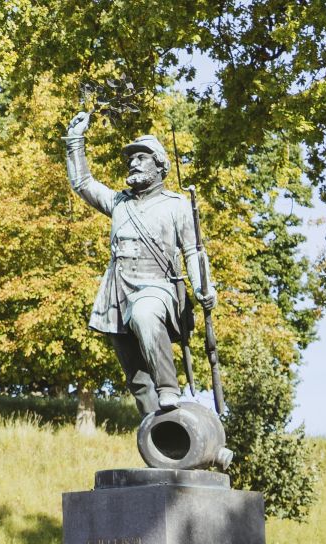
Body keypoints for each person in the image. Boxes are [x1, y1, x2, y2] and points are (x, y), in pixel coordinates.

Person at [64, 110, 217, 416]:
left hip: (157, 289)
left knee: (145, 315)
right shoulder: (119, 203)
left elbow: (193, 251)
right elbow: (82, 183)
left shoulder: (177, 206)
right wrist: (75, 140)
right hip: (117, 295)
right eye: (130, 158)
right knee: (137, 379)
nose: (132, 163)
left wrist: (203, 287)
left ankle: (169, 389)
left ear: (160, 164)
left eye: (141, 157)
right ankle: (160, 433)